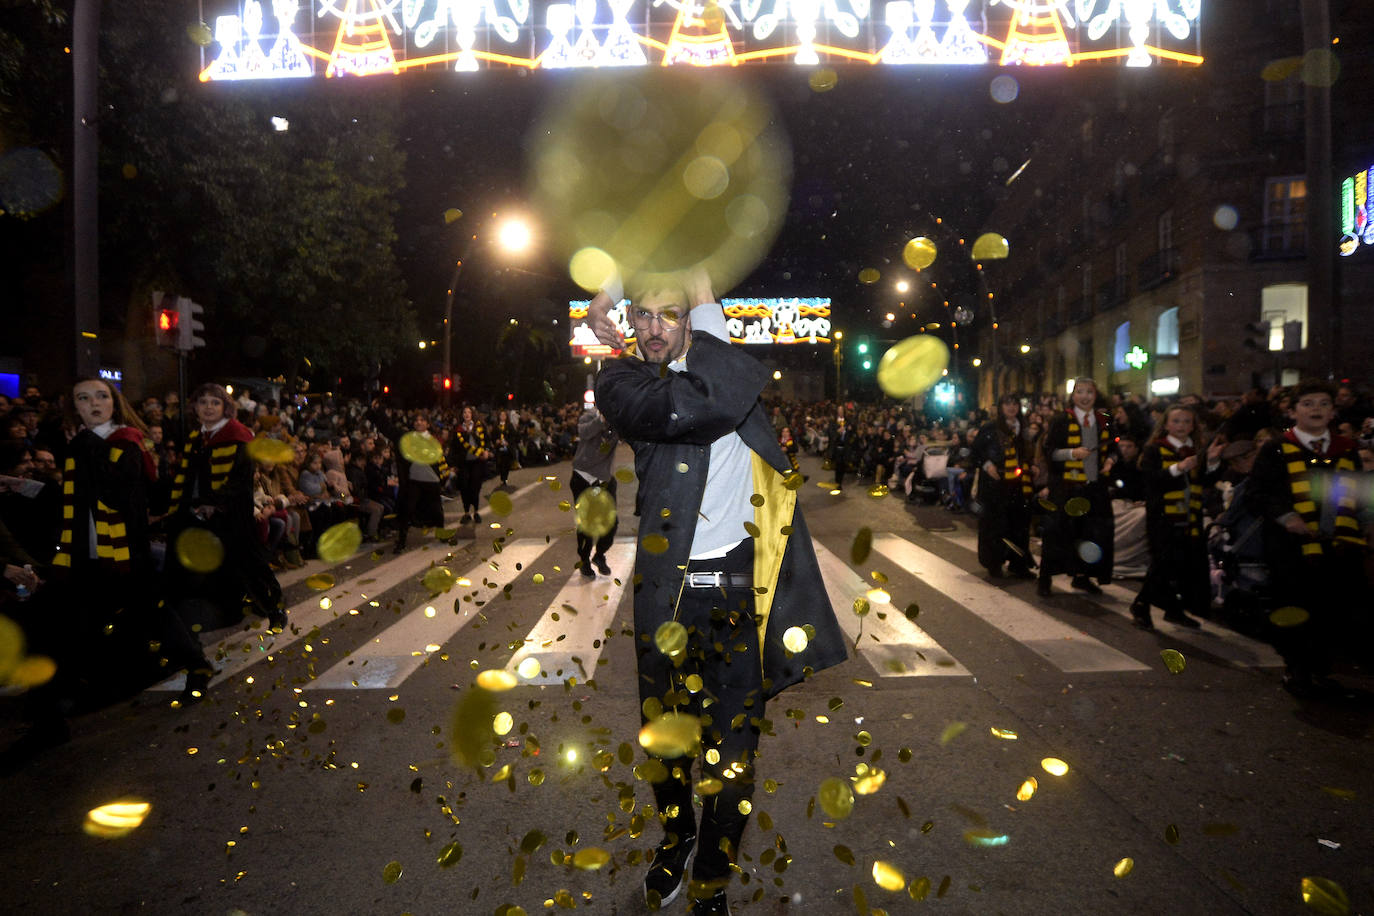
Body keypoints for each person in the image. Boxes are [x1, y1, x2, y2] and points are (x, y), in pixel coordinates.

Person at [588, 273, 846, 916]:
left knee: (733, 758)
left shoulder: (728, 378)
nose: (652, 327)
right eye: (640, 315)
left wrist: (679, 277)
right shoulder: (620, 384)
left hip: (737, 598)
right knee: (668, 744)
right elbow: (687, 405)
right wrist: (605, 299)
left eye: (667, 315)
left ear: (693, 322)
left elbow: (713, 351)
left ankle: (711, 875)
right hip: (666, 599)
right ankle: (675, 843)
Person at [52, 378, 215, 704]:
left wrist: (88, 447)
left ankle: (197, 666)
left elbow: (117, 494)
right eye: (83, 398)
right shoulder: (78, 445)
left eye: (101, 396)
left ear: (115, 402)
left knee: (153, 614)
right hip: (84, 549)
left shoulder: (127, 443)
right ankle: (85, 691)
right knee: (86, 621)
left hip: (126, 550)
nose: (93, 404)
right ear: (74, 407)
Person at [1244, 378, 1369, 697]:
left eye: (1324, 404)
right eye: (1308, 403)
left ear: (1333, 412)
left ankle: (1320, 668)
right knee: (1294, 604)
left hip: (1337, 543)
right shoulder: (1277, 449)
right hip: (1291, 545)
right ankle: (1297, 668)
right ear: (1293, 411)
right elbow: (1257, 494)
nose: (1316, 409)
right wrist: (1288, 517)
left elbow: (1359, 492)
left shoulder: (1346, 449)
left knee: (1329, 607)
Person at [167, 383, 285, 631]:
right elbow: (187, 476)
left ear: (225, 407)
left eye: (214, 402)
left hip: (231, 515)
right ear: (195, 408)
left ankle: (274, 609)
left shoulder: (239, 436)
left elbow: (240, 481)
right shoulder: (195, 438)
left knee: (249, 565)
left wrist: (214, 504)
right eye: (203, 402)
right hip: (197, 511)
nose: (208, 407)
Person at [1129, 404, 1224, 629]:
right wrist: (1178, 468)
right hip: (1163, 517)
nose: (1181, 426)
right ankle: (1142, 603)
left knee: (1183, 565)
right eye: (1176, 421)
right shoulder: (1155, 449)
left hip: (1190, 516)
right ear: (1166, 425)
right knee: (1162, 562)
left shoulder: (1196, 449)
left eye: (1187, 422)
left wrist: (1211, 462)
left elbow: (1205, 483)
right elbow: (1151, 480)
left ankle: (1174, 608)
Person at [1038, 378, 1118, 596]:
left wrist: (1111, 460)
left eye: (1089, 392)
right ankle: (1045, 577)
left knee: (1092, 533)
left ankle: (1082, 577)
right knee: (1057, 532)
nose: (1085, 396)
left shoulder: (1106, 419)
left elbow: (1114, 446)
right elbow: (1049, 451)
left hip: (1094, 487)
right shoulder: (1061, 419)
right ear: (1072, 396)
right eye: (1080, 392)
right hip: (1066, 486)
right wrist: (1072, 453)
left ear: (1095, 394)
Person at [971, 395, 1036, 579]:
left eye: (1015, 404)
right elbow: (976, 452)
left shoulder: (1023, 429)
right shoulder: (989, 428)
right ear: (1000, 407)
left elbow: (1027, 454)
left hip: (1018, 483)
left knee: (1019, 524)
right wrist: (987, 465)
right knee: (995, 525)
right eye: (1007, 404)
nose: (1012, 407)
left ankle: (1018, 563)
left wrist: (1032, 466)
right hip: (995, 483)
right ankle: (994, 563)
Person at [570, 399, 620, 578]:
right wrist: (601, 420)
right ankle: (584, 560)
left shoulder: (618, 423)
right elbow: (583, 432)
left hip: (604, 479)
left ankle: (599, 555)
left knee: (612, 523)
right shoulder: (589, 416)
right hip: (583, 477)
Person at [450, 406, 492, 524]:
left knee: (475, 486)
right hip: (464, 462)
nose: (467, 414)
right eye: (464, 412)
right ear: (462, 415)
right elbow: (454, 447)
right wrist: (453, 464)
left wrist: (487, 451)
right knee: (464, 486)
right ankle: (466, 512)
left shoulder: (479, 427)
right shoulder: (458, 429)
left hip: (477, 461)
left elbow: (487, 440)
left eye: (469, 412)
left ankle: (476, 511)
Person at [826, 405, 853, 492]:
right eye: (839, 410)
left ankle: (840, 481)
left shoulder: (848, 421)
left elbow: (852, 434)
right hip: (837, 448)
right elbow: (830, 435)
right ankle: (838, 483)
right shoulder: (833, 422)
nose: (840, 412)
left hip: (845, 448)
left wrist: (850, 430)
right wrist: (838, 432)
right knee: (838, 466)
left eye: (842, 410)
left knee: (843, 466)